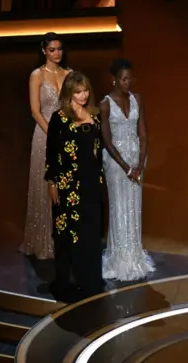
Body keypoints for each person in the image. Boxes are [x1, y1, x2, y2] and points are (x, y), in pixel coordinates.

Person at [45, 71, 105, 299]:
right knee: (68, 234)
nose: (83, 96)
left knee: (90, 233)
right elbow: (51, 153)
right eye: (78, 92)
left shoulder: (94, 115)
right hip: (68, 185)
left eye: (85, 91)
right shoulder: (59, 118)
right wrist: (52, 183)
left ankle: (89, 281)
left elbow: (97, 152)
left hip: (91, 183)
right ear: (69, 93)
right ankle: (67, 282)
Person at [100, 58, 154, 281]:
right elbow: (106, 139)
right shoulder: (105, 104)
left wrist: (140, 164)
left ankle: (133, 254)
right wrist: (125, 167)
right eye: (123, 79)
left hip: (135, 159)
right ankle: (119, 257)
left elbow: (143, 133)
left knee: (133, 207)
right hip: (115, 163)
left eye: (130, 78)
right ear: (114, 79)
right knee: (119, 206)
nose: (128, 83)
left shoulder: (137, 99)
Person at [21, 32, 71, 259]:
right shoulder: (37, 75)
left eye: (59, 48)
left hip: (67, 136)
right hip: (44, 134)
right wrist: (53, 134)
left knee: (66, 186)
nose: (57, 53)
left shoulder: (69, 74)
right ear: (44, 51)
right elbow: (34, 111)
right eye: (52, 49)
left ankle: (66, 238)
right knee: (45, 185)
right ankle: (43, 241)